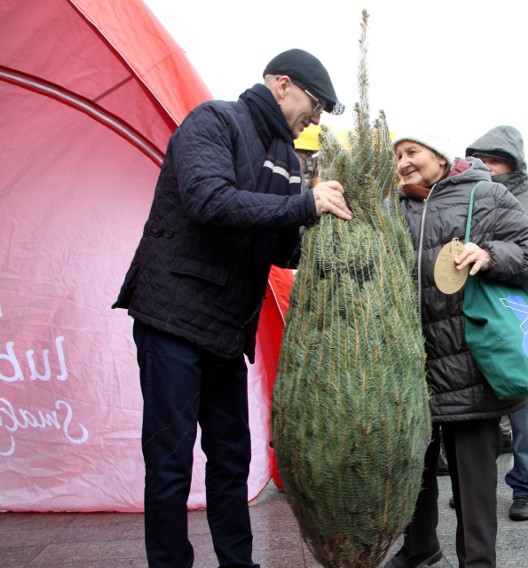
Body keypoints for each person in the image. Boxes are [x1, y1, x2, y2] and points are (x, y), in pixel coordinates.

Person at [112, 49, 352, 568]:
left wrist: (336, 242)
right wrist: (305, 205)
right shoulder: (214, 120)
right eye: (315, 104)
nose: (316, 118)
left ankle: (238, 563)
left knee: (231, 459)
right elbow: (209, 201)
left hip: (225, 331)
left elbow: (281, 245)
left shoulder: (289, 160)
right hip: (173, 319)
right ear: (281, 84)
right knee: (170, 462)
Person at [385, 129, 528, 568]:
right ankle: (420, 547)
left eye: (412, 151)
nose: (402, 162)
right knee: (414, 467)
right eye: (397, 154)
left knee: (473, 479)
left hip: (470, 361)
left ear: (438, 154)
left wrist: (492, 254)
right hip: (409, 363)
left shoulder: (486, 195)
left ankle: (478, 561)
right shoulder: (391, 207)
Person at [465, 125, 528, 521]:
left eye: (494, 159)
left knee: (527, 417)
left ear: (513, 164)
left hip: (525, 322)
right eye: (480, 159)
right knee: (478, 417)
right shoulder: (466, 200)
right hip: (477, 324)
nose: (486, 166)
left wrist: (494, 254)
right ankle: (476, 488)